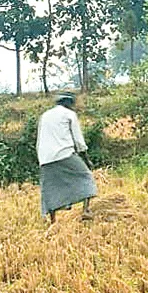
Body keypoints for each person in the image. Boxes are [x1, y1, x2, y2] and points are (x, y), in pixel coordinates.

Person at [37, 92, 98, 224]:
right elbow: (79, 140)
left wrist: (41, 159)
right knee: (86, 176)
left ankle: (52, 220)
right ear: (68, 103)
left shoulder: (45, 115)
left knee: (51, 187)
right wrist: (86, 160)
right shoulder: (69, 114)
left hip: (45, 158)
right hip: (63, 154)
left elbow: (40, 139)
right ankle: (86, 210)